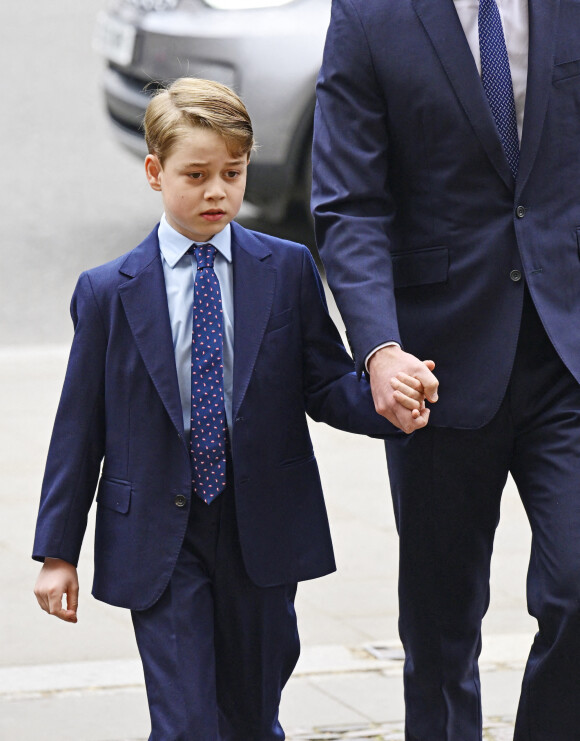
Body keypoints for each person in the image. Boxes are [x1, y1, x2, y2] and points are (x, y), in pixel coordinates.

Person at [31, 77, 411, 741]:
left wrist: (388, 402)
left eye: (232, 173)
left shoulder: (287, 268)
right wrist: (57, 551)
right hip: (158, 535)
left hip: (260, 527)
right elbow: (78, 430)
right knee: (186, 723)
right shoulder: (107, 293)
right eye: (196, 174)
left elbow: (323, 383)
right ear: (155, 172)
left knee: (251, 713)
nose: (216, 192)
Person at [312, 1, 580, 739]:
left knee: (577, 592)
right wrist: (378, 348)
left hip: (566, 355)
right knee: (440, 632)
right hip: (435, 365)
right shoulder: (370, 16)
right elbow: (349, 204)